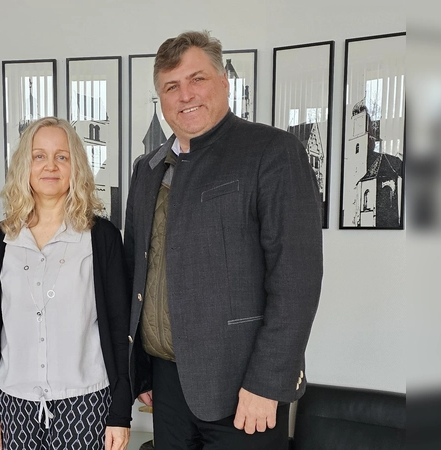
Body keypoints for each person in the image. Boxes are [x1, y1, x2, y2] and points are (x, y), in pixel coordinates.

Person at [125, 31, 323, 449]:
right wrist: (142, 371)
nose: (185, 95)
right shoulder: (147, 169)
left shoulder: (273, 152)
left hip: (243, 388)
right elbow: (138, 272)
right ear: (160, 98)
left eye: (197, 79)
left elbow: (296, 281)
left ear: (224, 82)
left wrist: (268, 383)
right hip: (166, 382)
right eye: (171, 87)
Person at [0, 117, 131, 450]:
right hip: (13, 403)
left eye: (62, 156)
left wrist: (121, 413)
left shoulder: (100, 238)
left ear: (75, 166)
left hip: (86, 402)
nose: (50, 166)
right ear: (24, 166)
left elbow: (120, 330)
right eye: (39, 156)